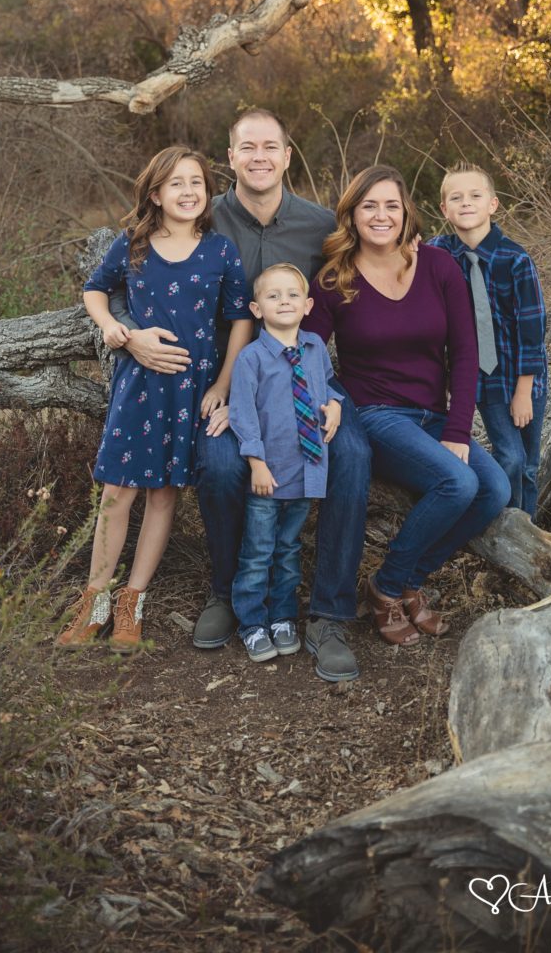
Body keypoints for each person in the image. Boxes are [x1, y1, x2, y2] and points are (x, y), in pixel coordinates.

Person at [108, 108, 371, 684]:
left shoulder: (320, 226)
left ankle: (328, 613)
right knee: (225, 463)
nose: (259, 157)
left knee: (350, 453)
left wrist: (331, 391)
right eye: (246, 147)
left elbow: (354, 293)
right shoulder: (202, 217)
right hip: (219, 385)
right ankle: (227, 591)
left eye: (270, 146)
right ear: (230, 157)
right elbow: (131, 275)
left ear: (286, 155)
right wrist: (129, 337)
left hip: (305, 379)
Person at [56, 146, 252, 651]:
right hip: (139, 386)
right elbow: (95, 291)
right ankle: (96, 598)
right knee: (117, 492)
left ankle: (132, 601)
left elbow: (240, 320)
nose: (188, 192)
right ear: (155, 194)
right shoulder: (133, 245)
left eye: (197, 183)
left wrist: (222, 385)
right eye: (176, 184)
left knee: (165, 494)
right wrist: (116, 329)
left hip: (192, 387)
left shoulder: (220, 250)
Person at [306, 165, 511, 647]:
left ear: (406, 213)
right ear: (352, 215)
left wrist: (458, 431)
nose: (381, 216)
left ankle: (399, 580)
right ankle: (391, 587)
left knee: (494, 489)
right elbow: (310, 353)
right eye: (369, 206)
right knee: (456, 482)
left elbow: (464, 353)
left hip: (434, 414)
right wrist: (332, 400)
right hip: (376, 414)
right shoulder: (336, 279)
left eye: (391, 206)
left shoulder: (439, 267)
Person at [229, 264, 340, 662]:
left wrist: (336, 405)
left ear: (308, 304)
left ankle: (282, 618)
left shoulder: (314, 348)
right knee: (258, 552)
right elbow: (242, 414)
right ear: (256, 308)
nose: (284, 302)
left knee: (289, 551)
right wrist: (256, 463)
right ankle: (252, 623)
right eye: (273, 296)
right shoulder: (251, 358)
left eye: (292, 295)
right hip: (269, 475)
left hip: (306, 472)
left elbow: (328, 388)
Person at [431, 164, 548, 520]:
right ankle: (504, 524)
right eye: (456, 197)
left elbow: (533, 329)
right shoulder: (436, 255)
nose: (466, 203)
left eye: (475, 196)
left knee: (526, 462)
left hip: (518, 377)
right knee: (508, 456)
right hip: (475, 377)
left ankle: (525, 527)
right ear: (444, 210)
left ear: (493, 205)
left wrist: (524, 390)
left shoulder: (515, 259)